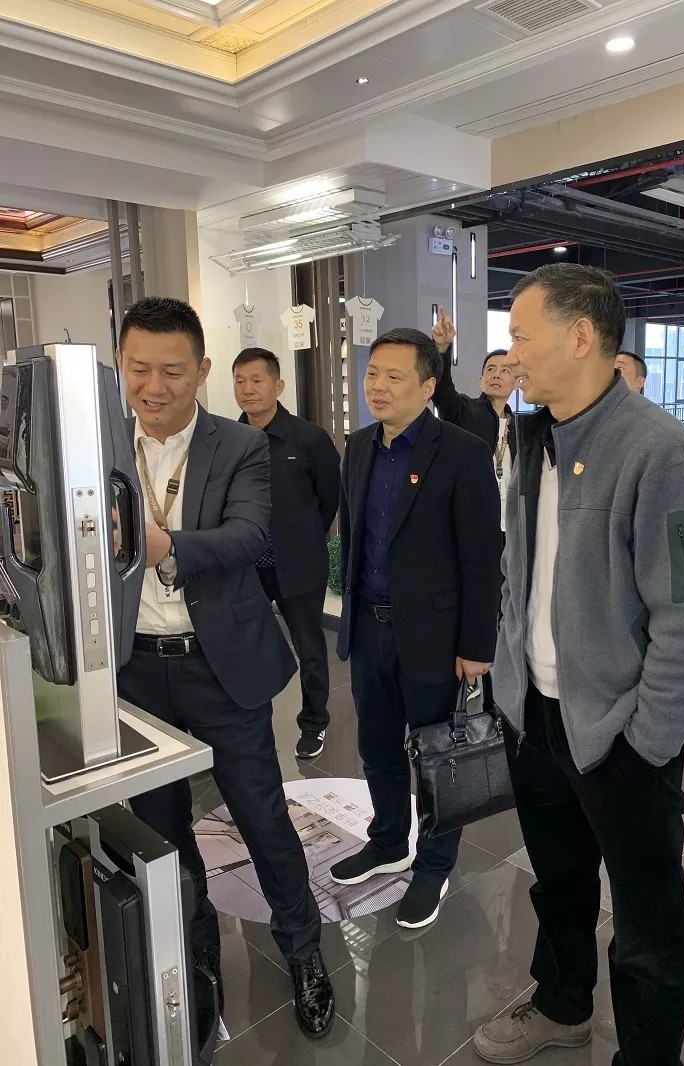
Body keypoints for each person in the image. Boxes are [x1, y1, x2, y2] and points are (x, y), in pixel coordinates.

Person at [473, 265, 684, 1066]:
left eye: (522, 336)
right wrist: (509, 684)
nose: (510, 356)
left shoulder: (664, 455)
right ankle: (562, 1006)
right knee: (558, 882)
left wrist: (644, 745)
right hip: (536, 716)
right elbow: (519, 571)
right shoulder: (532, 440)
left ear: (581, 336)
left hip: (620, 735)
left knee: (647, 916)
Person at [115, 297, 334, 1039]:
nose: (155, 386)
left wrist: (164, 545)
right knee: (160, 826)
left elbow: (249, 537)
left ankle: (302, 947)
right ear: (121, 366)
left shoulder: (238, 445)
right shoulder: (101, 441)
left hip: (220, 666)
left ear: (202, 370)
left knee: (261, 814)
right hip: (133, 672)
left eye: (173, 371)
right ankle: (195, 946)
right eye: (139, 368)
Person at [331, 327, 502, 930]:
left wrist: (477, 645)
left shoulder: (461, 452)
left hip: (434, 637)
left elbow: (481, 557)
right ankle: (387, 842)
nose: (377, 386)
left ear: (428, 386)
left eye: (394, 376)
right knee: (377, 747)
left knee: (437, 757)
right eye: (372, 373)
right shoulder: (358, 447)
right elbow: (354, 537)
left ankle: (433, 865)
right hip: (369, 629)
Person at [233, 347, 341, 759]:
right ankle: (247, 721)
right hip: (247, 566)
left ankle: (314, 723)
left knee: (309, 647)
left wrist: (303, 536)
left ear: (278, 386)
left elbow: (329, 499)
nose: (248, 389)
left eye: (257, 380)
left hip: (298, 563)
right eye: (240, 381)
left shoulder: (309, 438)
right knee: (243, 644)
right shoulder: (228, 439)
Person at [431, 307, 517, 536]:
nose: (496, 374)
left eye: (505, 370)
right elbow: (442, 390)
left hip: (512, 528)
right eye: (490, 369)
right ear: (481, 380)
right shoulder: (464, 410)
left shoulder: (521, 427)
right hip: (474, 524)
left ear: (516, 382)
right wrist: (442, 349)